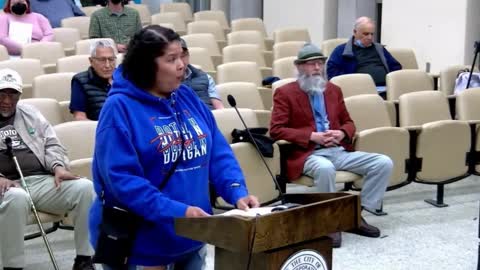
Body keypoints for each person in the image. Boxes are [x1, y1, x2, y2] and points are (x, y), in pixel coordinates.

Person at [89, 25, 259, 270]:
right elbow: (122, 181)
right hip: (142, 246)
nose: (182, 65)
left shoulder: (187, 97)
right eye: (171, 59)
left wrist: (237, 191)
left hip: (192, 236)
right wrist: (177, 212)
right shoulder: (119, 108)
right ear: (147, 65)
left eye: (182, 56)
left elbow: (218, 154)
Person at [270, 43, 392, 248]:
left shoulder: (334, 90)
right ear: (299, 67)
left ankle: (353, 216)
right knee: (325, 169)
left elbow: (349, 123)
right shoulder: (285, 93)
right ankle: (328, 223)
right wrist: (312, 136)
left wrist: (342, 132)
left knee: (383, 163)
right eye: (312, 64)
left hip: (337, 149)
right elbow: (276, 130)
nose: (317, 68)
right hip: (308, 153)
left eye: (320, 63)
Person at [0, 68, 95, 270]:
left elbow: (52, 144)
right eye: (2, 94)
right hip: (6, 188)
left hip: (41, 180)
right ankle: (13, 266)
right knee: (17, 198)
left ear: (19, 95)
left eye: (12, 94)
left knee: (86, 188)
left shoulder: (30, 114)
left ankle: (84, 260)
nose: (7, 100)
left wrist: (58, 167)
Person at [326, 17, 402, 92]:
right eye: (366, 34)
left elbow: (396, 67)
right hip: (358, 90)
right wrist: (354, 81)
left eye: (372, 34)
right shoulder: (341, 50)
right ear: (355, 32)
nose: (370, 37)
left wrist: (390, 82)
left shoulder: (379, 48)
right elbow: (332, 72)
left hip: (384, 89)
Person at [70, 39, 116, 121]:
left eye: (111, 59)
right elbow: (80, 117)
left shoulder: (124, 78)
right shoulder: (80, 81)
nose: (107, 65)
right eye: (102, 60)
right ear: (91, 61)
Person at [180, 38, 224, 110]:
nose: (180, 60)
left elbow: (219, 108)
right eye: (175, 57)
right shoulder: (164, 82)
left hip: (208, 118)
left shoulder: (206, 78)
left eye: (183, 55)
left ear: (188, 56)